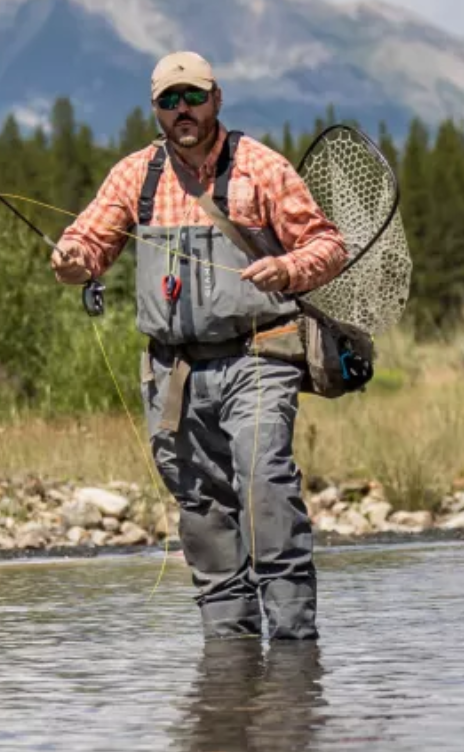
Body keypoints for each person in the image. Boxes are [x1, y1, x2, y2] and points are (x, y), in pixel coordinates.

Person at [50, 51, 347, 641]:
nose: (182, 110)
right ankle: (229, 661)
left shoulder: (260, 167)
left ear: (216, 98)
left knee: (265, 484)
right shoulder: (137, 174)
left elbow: (328, 246)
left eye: (193, 97)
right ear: (155, 110)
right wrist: (71, 262)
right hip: (174, 372)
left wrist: (286, 270)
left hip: (259, 356)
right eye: (169, 100)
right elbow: (82, 245)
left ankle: (292, 650)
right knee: (201, 510)